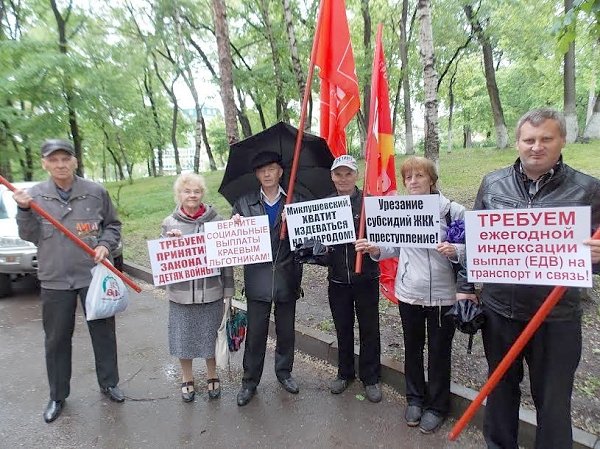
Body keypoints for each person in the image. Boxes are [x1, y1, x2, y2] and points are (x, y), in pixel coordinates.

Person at [459, 108, 600, 449]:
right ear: (518, 143)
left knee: (553, 405)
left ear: (562, 141)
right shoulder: (493, 184)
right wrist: (466, 288)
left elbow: (593, 255)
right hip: (499, 314)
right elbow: (473, 240)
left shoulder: (588, 190)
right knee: (500, 393)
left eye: (546, 139)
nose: (537, 147)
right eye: (529, 139)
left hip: (556, 319)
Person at [13, 139, 124, 423]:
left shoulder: (95, 192)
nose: (60, 165)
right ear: (44, 164)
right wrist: (24, 210)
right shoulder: (34, 196)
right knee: (57, 340)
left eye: (65, 159)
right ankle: (57, 395)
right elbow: (29, 235)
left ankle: (109, 383)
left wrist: (105, 245)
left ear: (74, 161)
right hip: (54, 279)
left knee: (103, 333)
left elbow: (112, 225)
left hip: (91, 276)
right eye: (54, 160)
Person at [356, 156, 466, 434]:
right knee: (413, 349)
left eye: (419, 176)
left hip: (443, 296)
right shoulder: (400, 211)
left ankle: (438, 407)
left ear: (432, 179)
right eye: (408, 177)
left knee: (439, 353)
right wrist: (375, 250)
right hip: (409, 294)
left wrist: (456, 251)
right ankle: (414, 399)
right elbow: (392, 247)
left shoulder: (453, 211)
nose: (413, 181)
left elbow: (474, 250)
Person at [232, 151, 303, 406]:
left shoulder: (296, 201)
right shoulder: (243, 204)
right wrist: (235, 225)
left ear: (281, 171)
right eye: (262, 170)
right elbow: (233, 244)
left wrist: (294, 223)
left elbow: (307, 244)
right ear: (256, 174)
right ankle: (249, 382)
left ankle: (284, 373)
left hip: (287, 276)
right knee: (256, 334)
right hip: (257, 278)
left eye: (272, 168)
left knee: (286, 332)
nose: (267, 174)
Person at [160, 173, 234, 402]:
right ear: (179, 194)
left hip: (211, 292)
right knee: (183, 338)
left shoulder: (216, 221)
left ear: (202, 194)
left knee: (210, 336)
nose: (192, 195)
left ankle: (212, 375)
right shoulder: (169, 223)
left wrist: (228, 291)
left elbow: (227, 259)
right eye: (187, 191)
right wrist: (168, 243)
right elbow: (162, 260)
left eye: (197, 191)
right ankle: (187, 377)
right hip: (181, 295)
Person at [324, 155, 382, 402]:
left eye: (348, 173)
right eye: (339, 174)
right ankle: (344, 373)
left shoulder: (370, 204)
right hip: (337, 280)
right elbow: (311, 240)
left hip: (366, 278)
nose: (343, 179)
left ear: (356, 176)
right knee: (342, 328)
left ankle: (371, 378)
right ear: (332, 177)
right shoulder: (324, 205)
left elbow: (385, 241)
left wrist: (372, 245)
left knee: (369, 330)